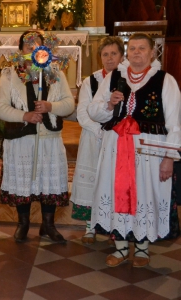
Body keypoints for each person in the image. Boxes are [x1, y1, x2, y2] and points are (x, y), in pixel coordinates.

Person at [88, 33, 181, 268]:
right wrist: (110, 104)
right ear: (127, 53)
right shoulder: (113, 78)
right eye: (133, 49)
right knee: (116, 190)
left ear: (152, 53)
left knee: (144, 193)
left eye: (142, 48)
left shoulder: (164, 80)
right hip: (115, 149)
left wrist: (169, 157)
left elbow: (175, 122)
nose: (136, 53)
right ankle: (120, 248)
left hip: (148, 152)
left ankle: (141, 247)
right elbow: (93, 112)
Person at [0, 31, 75, 243]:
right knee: (24, 181)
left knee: (48, 182)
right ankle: (23, 224)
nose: (32, 50)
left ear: (45, 50)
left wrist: (50, 106)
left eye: (37, 46)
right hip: (21, 140)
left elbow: (69, 104)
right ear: (20, 50)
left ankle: (48, 225)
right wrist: (25, 115)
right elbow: (0, 109)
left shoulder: (56, 72)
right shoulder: (10, 74)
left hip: (49, 139)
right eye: (28, 47)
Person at [71, 37, 124, 244]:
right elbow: (83, 113)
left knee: (112, 182)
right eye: (105, 54)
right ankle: (90, 227)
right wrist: (99, 131)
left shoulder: (128, 78)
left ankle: (114, 227)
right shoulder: (90, 81)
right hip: (93, 137)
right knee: (92, 181)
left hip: (119, 139)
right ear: (99, 57)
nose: (109, 58)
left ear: (121, 56)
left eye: (114, 54)